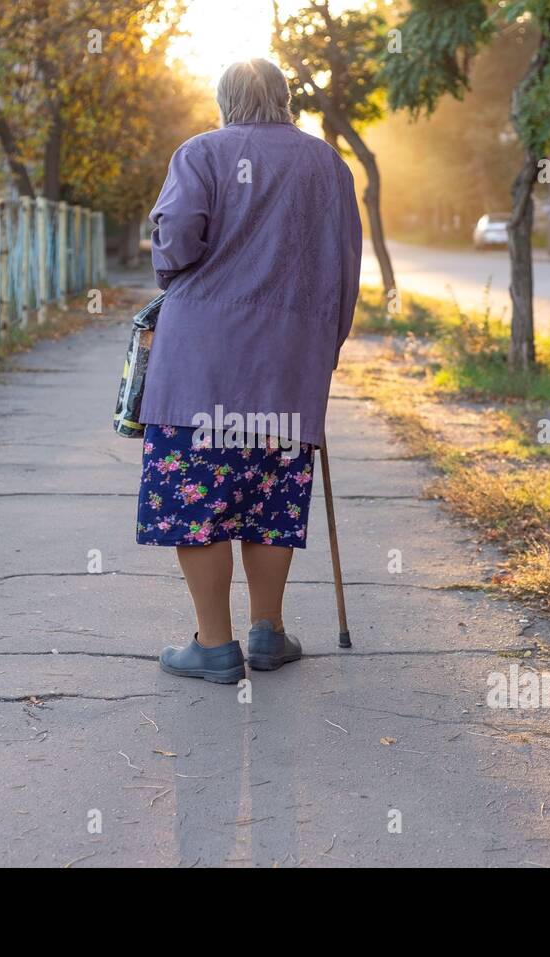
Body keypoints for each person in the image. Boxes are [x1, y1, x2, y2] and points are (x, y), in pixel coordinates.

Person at [136, 58, 362, 684]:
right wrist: (325, 350)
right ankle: (268, 633)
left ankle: (214, 645)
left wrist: (170, 269)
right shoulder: (328, 166)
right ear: (286, 101)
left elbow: (178, 237)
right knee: (269, 499)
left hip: (200, 366)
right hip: (289, 367)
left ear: (224, 99)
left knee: (200, 500)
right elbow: (345, 268)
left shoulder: (202, 153)